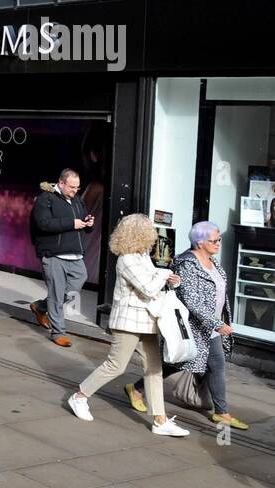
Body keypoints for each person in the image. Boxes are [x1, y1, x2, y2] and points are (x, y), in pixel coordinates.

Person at [66, 214, 189, 437]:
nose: (153, 237)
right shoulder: (126, 259)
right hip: (128, 322)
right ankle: (79, 397)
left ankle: (160, 420)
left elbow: (155, 284)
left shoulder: (142, 256)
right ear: (138, 234)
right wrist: (163, 275)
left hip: (148, 320)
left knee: (154, 369)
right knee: (116, 365)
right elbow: (148, 288)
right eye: (149, 232)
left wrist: (171, 280)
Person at [125, 222, 247, 429]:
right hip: (193, 327)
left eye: (219, 240)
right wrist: (216, 323)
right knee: (175, 364)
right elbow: (191, 300)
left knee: (216, 365)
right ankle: (136, 388)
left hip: (210, 326)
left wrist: (220, 319)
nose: (218, 243)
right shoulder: (187, 264)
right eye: (214, 240)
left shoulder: (212, 262)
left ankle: (222, 412)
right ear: (199, 242)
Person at [29, 168, 94, 348]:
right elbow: (43, 224)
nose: (75, 190)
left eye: (78, 187)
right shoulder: (45, 199)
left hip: (75, 254)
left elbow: (81, 222)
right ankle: (58, 332)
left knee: (77, 284)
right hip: (54, 254)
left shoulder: (77, 200)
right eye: (72, 187)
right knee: (57, 295)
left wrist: (88, 223)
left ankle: (41, 307)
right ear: (61, 183)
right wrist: (71, 223)